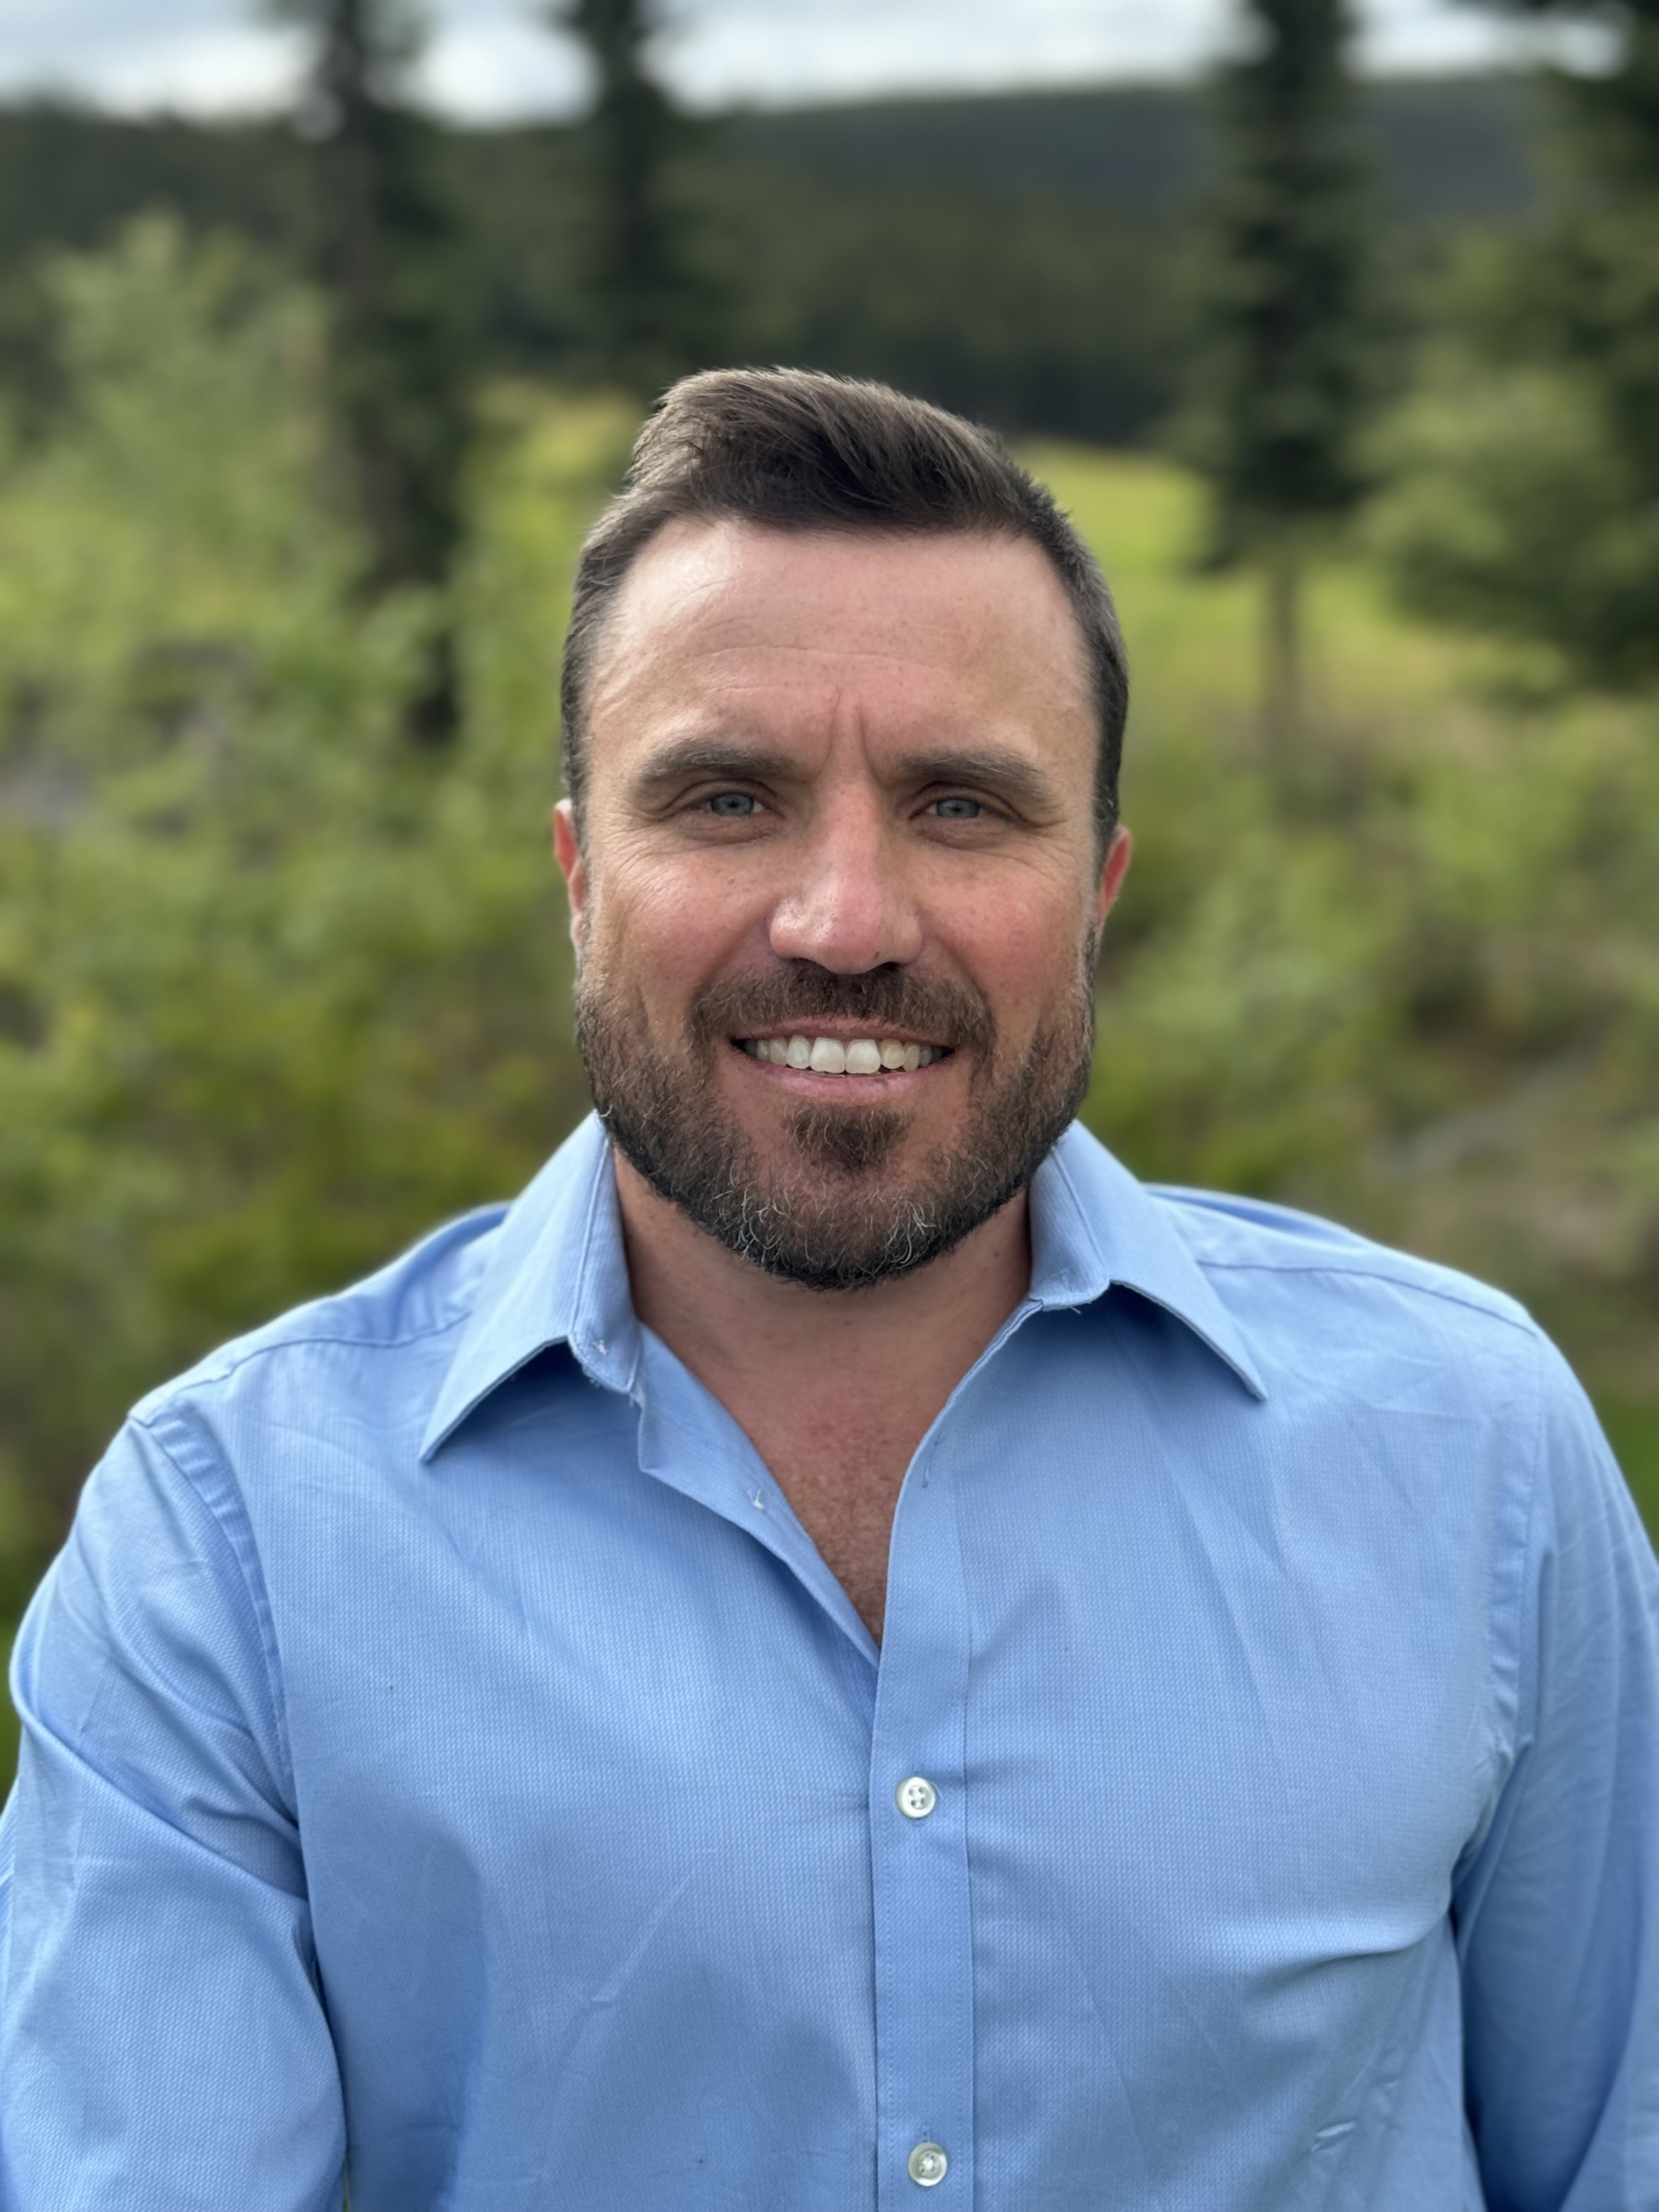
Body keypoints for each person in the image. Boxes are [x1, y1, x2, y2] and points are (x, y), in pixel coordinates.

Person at [1, 369, 1655, 2212]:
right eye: (727, 798)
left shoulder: (1471, 1461)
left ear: (1098, 890)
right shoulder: (229, 1547)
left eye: (962, 805)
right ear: (577, 879)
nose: (846, 921)